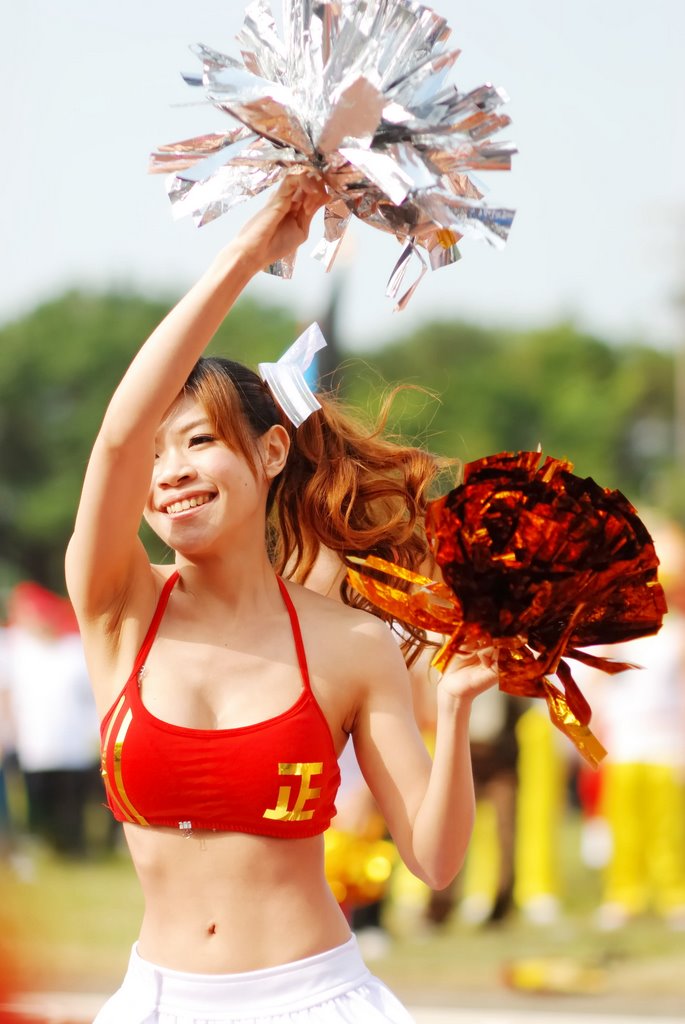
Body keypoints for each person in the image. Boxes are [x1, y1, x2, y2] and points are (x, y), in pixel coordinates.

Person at [65, 170, 500, 1024]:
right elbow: (115, 439)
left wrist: (451, 712)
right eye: (156, 456)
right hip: (157, 1004)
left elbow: (434, 859)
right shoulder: (117, 608)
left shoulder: (350, 644)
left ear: (269, 454)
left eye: (198, 441)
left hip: (315, 1000)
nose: (169, 472)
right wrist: (246, 253)